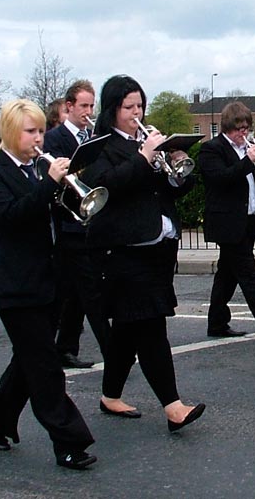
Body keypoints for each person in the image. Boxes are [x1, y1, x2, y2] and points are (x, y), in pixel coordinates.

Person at [0, 99, 97, 470]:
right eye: (31, 131)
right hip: (16, 285)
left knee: (28, 360)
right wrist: (49, 184)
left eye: (41, 130)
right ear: (12, 132)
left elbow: (49, 215)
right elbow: (10, 217)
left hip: (49, 279)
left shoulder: (35, 170)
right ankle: (69, 442)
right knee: (45, 366)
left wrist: (70, 196)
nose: (38, 138)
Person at [82, 74, 206, 431]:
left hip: (155, 249)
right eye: (129, 107)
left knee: (126, 328)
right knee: (151, 328)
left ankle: (109, 395)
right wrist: (144, 156)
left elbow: (167, 192)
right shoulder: (101, 146)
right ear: (113, 110)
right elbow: (106, 185)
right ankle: (173, 406)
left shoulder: (147, 141)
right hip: (122, 252)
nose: (137, 113)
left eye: (140, 105)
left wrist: (177, 169)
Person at [198, 101, 255, 339]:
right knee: (248, 274)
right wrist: (247, 162)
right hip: (228, 223)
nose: (242, 133)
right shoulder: (212, 149)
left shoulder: (247, 150)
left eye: (246, 128)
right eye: (238, 129)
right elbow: (220, 179)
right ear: (226, 128)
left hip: (247, 221)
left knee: (227, 274)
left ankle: (217, 322)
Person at [43, 79, 109, 369]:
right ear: (69, 106)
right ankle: (113, 351)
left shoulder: (93, 136)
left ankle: (63, 348)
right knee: (90, 290)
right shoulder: (55, 138)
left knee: (72, 293)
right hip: (70, 223)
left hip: (92, 221)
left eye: (91, 105)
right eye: (83, 105)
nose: (88, 111)